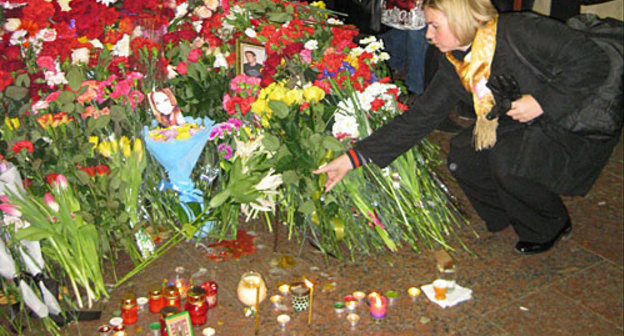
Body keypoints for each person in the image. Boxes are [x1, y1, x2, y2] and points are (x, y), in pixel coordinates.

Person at [314, 0, 620, 255]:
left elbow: (593, 62)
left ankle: (550, 222)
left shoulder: (519, 31)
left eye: (435, 26)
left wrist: (543, 101)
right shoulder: (455, 61)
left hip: (569, 115)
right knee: (464, 155)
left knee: (509, 164)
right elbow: (419, 119)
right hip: (522, 119)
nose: (428, 35)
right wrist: (352, 159)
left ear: (461, 18)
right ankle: (509, 213)